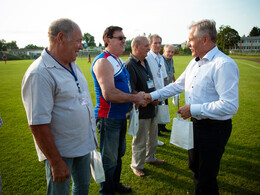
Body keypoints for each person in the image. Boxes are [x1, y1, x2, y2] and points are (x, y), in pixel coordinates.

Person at [145, 19, 239, 195]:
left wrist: (193, 109)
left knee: (206, 178)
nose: (187, 44)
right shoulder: (195, 62)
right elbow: (177, 86)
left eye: (190, 39)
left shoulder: (223, 65)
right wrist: (152, 96)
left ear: (204, 39)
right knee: (195, 169)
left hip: (213, 130)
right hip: (195, 126)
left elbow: (230, 105)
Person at [21, 18, 98, 195]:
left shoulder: (71, 63)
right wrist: (55, 162)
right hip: (61, 152)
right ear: (61, 38)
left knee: (82, 188)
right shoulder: (39, 73)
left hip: (83, 146)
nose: (81, 46)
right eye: (78, 41)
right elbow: (38, 124)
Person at [91, 26, 146, 195]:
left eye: (124, 37)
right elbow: (109, 94)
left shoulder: (117, 60)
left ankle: (115, 184)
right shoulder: (103, 61)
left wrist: (138, 95)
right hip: (108, 117)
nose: (124, 41)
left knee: (119, 154)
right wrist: (134, 98)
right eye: (120, 38)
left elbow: (126, 89)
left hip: (120, 116)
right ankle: (106, 191)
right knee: (109, 159)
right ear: (108, 39)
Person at [125, 36, 165, 178]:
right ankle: (137, 165)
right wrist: (149, 99)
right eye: (146, 46)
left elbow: (151, 81)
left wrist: (153, 97)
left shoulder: (146, 61)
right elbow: (132, 90)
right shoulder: (130, 64)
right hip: (140, 110)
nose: (149, 48)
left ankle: (150, 157)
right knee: (140, 140)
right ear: (135, 47)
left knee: (152, 137)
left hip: (151, 106)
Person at [146, 34, 169, 141]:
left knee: (156, 119)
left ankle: (154, 139)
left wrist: (163, 93)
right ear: (150, 45)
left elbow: (163, 77)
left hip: (160, 94)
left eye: (160, 43)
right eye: (155, 43)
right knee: (149, 120)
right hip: (151, 95)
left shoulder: (161, 58)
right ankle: (150, 140)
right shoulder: (147, 57)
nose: (158, 45)